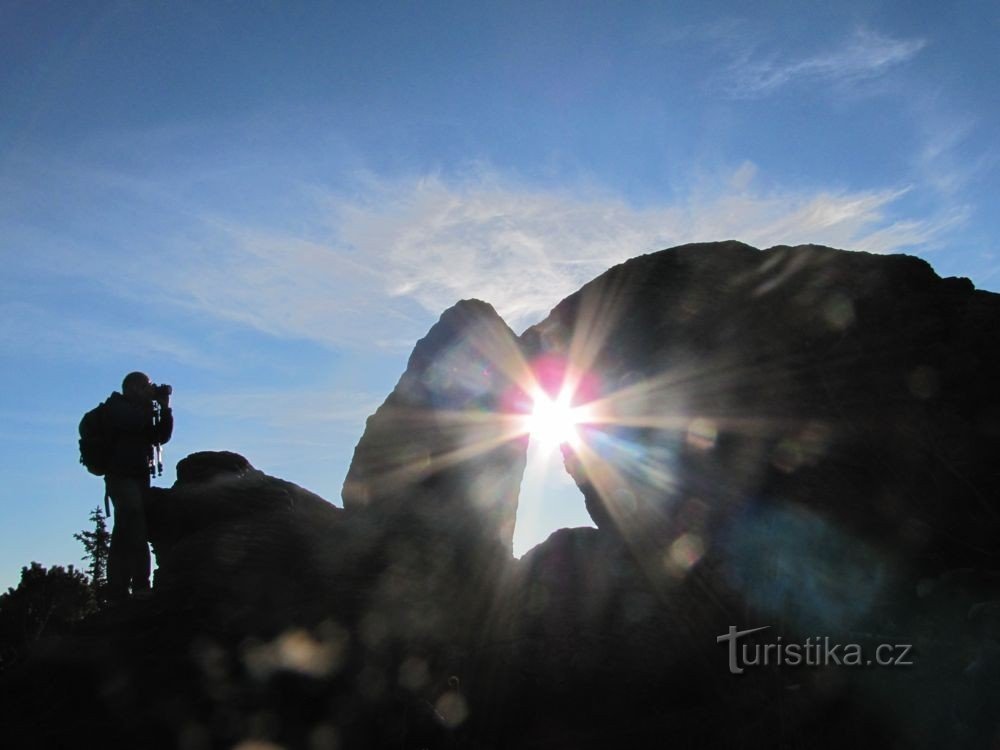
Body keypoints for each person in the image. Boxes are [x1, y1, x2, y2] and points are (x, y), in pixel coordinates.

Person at [103, 371, 173, 601]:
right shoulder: (117, 407)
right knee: (135, 522)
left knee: (123, 531)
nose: (151, 390)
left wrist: (165, 408)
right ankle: (141, 585)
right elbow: (132, 423)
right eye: (147, 386)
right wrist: (149, 405)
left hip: (139, 477)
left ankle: (117, 589)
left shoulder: (142, 411)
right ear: (133, 388)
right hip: (120, 477)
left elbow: (161, 436)